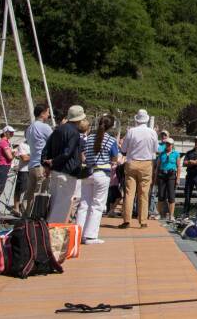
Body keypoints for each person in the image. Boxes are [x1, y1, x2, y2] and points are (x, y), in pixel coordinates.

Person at [76, 115, 119, 245]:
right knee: (97, 204)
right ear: (111, 126)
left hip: (88, 172)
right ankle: (90, 235)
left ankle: (78, 233)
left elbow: (82, 154)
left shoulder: (88, 138)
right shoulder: (111, 140)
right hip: (102, 173)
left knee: (84, 204)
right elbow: (114, 158)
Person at [42, 105, 88, 223]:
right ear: (79, 119)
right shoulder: (74, 133)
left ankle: (47, 230)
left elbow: (46, 149)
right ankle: (54, 233)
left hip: (55, 171)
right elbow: (67, 153)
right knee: (62, 206)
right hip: (67, 172)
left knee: (53, 203)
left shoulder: (59, 129)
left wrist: (47, 165)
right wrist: (54, 161)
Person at [119, 109, 159, 229]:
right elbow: (156, 149)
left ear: (137, 120)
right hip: (146, 163)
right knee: (144, 193)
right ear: (147, 120)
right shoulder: (152, 132)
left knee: (129, 193)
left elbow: (124, 149)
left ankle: (127, 220)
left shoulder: (131, 131)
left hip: (132, 162)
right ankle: (143, 221)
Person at [22, 103, 52, 214]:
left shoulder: (29, 128)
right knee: (39, 193)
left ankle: (25, 216)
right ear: (43, 113)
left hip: (32, 164)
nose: (48, 115)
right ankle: (36, 217)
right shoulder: (44, 127)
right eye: (48, 112)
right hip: (41, 164)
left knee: (29, 193)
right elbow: (54, 141)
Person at [155, 137, 181, 220]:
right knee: (161, 195)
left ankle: (171, 215)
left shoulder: (176, 153)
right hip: (162, 175)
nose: (167, 145)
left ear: (172, 145)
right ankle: (159, 214)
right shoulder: (161, 154)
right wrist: (155, 178)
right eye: (167, 144)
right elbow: (158, 167)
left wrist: (178, 178)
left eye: (169, 144)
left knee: (171, 196)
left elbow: (178, 166)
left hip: (171, 175)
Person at [11, 140, 31, 216]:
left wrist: (30, 156)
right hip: (23, 170)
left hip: (31, 170)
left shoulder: (33, 144)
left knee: (28, 190)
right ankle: (16, 208)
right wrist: (35, 156)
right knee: (19, 189)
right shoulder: (22, 145)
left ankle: (23, 207)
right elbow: (24, 158)